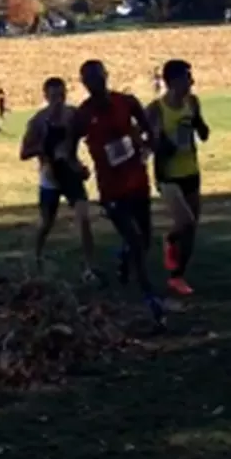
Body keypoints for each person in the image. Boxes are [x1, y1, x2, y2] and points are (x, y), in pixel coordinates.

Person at [70, 59, 181, 328]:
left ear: (106, 76)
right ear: (84, 83)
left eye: (98, 76)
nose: (95, 83)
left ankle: (124, 256)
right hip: (111, 190)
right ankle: (149, 298)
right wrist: (77, 167)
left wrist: (148, 146)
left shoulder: (127, 102)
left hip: (137, 183)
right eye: (89, 79)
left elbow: (148, 130)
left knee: (143, 239)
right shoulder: (83, 114)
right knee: (134, 239)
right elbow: (68, 147)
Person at [20, 77, 99, 282]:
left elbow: (91, 134)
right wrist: (45, 150)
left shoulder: (73, 115)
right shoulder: (38, 121)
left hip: (71, 174)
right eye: (54, 96)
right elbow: (24, 152)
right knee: (47, 222)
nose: (58, 100)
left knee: (84, 218)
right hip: (50, 177)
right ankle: (36, 256)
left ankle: (90, 268)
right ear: (45, 96)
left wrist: (81, 165)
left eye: (62, 95)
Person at [148, 59, 210, 297]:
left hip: (191, 171)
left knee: (192, 228)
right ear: (171, 81)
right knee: (185, 222)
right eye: (187, 77)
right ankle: (170, 238)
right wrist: (160, 143)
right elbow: (142, 138)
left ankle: (177, 277)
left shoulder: (192, 103)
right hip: (168, 175)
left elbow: (203, 134)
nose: (191, 82)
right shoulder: (155, 109)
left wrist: (198, 124)